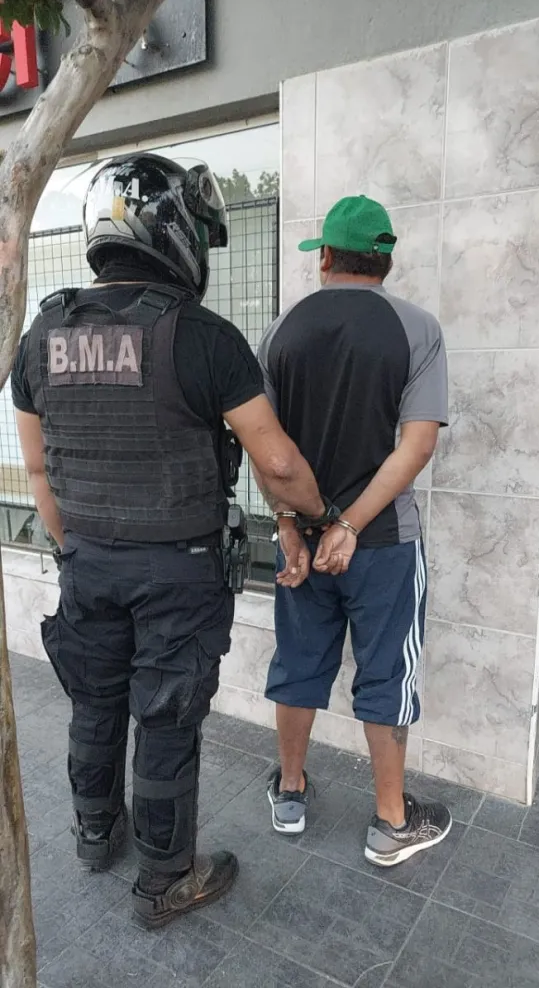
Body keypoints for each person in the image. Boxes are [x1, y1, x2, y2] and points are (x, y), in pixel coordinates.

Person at [11, 152, 330, 928]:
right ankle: (164, 880)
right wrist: (319, 518)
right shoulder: (201, 337)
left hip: (86, 559)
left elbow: (36, 471)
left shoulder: (41, 334)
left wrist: (74, 549)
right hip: (177, 570)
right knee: (165, 715)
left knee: (95, 703)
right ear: (174, 232)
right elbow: (280, 465)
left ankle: (95, 836)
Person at [258, 195, 452, 867]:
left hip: (302, 546)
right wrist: (353, 525)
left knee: (298, 664)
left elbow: (268, 450)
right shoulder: (417, 328)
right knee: (386, 675)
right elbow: (417, 446)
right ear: (385, 260)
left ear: (328, 259)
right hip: (383, 544)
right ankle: (392, 824)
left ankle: (289, 793)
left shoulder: (283, 331)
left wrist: (292, 525)